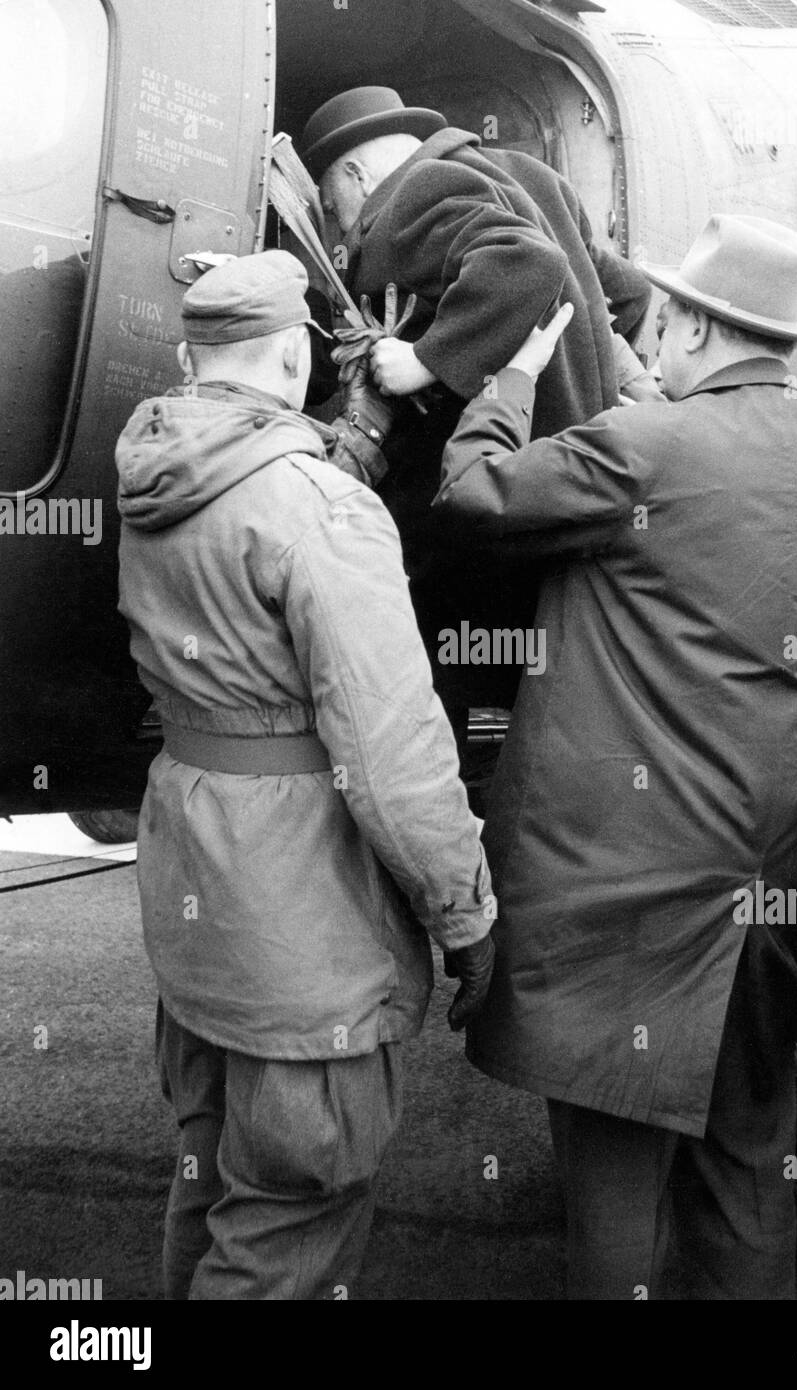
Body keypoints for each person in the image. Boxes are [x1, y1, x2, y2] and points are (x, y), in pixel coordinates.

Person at [433, 214, 797, 1299]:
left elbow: (472, 497)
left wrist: (508, 383)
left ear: (689, 323)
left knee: (617, 1200)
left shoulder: (646, 449)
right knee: (744, 1178)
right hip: (773, 891)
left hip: (631, 903)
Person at [115, 250, 496, 1300]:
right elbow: (394, 755)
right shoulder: (322, 509)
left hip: (202, 908)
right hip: (306, 936)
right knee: (288, 1221)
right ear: (294, 356)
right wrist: (465, 915)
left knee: (212, 1184)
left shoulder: (152, 470)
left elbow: (265, 497)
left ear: (197, 363)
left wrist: (354, 441)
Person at [298, 86, 655, 770]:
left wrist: (425, 361)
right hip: (565, 499)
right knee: (535, 716)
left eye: (334, 205)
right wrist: (580, 379)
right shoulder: (533, 177)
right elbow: (628, 293)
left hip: (482, 523)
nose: (342, 227)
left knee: (453, 723)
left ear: (355, 175)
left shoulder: (410, 196)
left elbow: (524, 265)